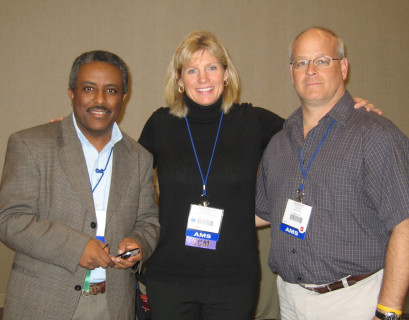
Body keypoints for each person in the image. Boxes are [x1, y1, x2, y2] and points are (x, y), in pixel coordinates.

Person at [138, 30, 373, 320]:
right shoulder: (160, 124)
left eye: (212, 67)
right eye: (192, 70)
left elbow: (314, 133)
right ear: (178, 79)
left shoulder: (253, 121)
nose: (203, 78)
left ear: (226, 74)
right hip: (169, 278)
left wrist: (351, 111)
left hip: (234, 281)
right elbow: (125, 175)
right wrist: (76, 132)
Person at [255, 27, 409, 320]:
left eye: (322, 60)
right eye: (301, 62)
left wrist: (387, 312)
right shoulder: (278, 143)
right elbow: (262, 212)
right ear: (292, 73)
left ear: (344, 67)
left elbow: (405, 226)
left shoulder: (376, 135)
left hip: (355, 300)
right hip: (290, 299)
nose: (311, 70)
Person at [0, 50, 160, 320]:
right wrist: (75, 248)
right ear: (72, 93)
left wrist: (139, 244)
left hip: (113, 304)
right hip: (43, 303)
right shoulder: (30, 144)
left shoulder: (140, 158)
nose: (100, 99)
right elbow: (9, 219)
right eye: (89, 89)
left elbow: (149, 221)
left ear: (123, 97)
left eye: (111, 90)